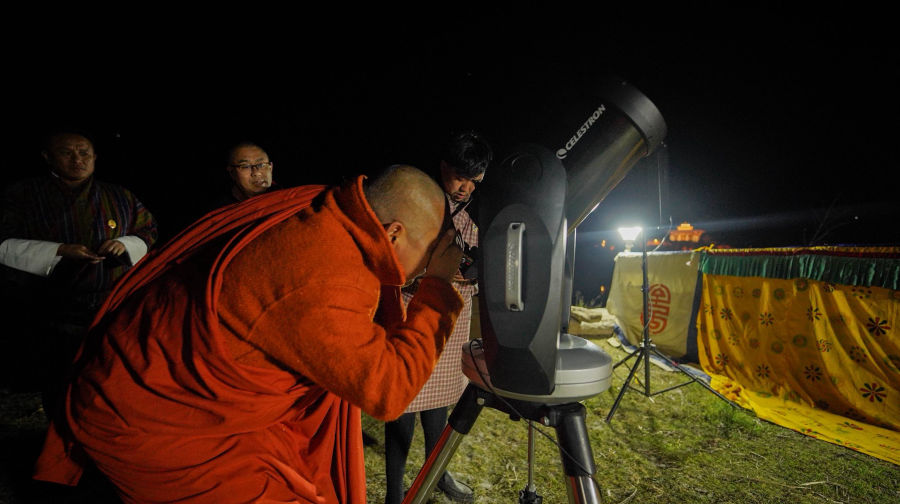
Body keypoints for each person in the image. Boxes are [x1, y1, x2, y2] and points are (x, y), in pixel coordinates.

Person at [32, 165, 465, 504]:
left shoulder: (320, 209)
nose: (427, 264)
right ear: (392, 232)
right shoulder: (326, 274)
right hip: (153, 420)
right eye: (427, 253)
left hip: (183, 388)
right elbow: (389, 391)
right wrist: (439, 289)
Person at [0, 131, 157, 415]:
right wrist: (59, 251)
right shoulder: (23, 194)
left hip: (111, 306)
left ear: (95, 157)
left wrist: (123, 244)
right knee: (60, 384)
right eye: (67, 153)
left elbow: (148, 232)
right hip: (49, 310)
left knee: (110, 380)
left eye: (84, 152)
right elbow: (4, 243)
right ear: (47, 157)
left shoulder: (120, 196)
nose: (77, 160)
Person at [384, 130, 491, 504]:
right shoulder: (422, 202)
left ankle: (436, 474)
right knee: (403, 404)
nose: (464, 188)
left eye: (472, 181)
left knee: (438, 402)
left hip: (451, 314)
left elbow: (474, 250)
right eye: (459, 177)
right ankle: (395, 493)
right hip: (414, 308)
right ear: (444, 167)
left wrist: (477, 265)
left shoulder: (469, 209)